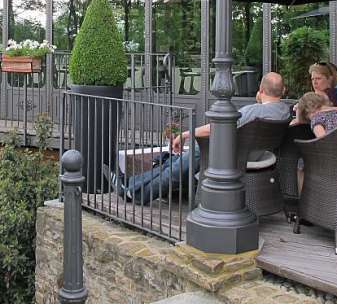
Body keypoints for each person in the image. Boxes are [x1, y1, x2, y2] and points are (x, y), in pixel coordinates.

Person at [105, 73, 289, 205]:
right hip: (257, 156)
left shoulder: (254, 111)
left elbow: (217, 127)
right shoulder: (284, 111)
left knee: (179, 165)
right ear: (283, 91)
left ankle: (134, 192)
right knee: (177, 162)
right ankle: (131, 185)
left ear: (261, 89)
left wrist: (184, 134)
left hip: (229, 157)